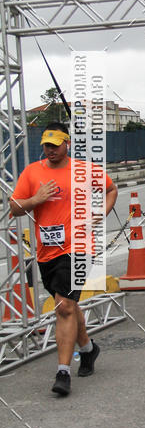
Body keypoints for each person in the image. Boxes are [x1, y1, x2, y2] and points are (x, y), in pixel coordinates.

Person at [10, 122, 117, 397]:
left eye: (55, 145)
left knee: (65, 306)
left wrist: (101, 213)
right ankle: (88, 349)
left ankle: (63, 372)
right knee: (65, 304)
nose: (50, 150)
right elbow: (14, 207)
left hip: (80, 247)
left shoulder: (82, 170)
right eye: (46, 145)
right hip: (48, 252)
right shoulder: (32, 173)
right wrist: (36, 198)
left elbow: (111, 189)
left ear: (66, 143)